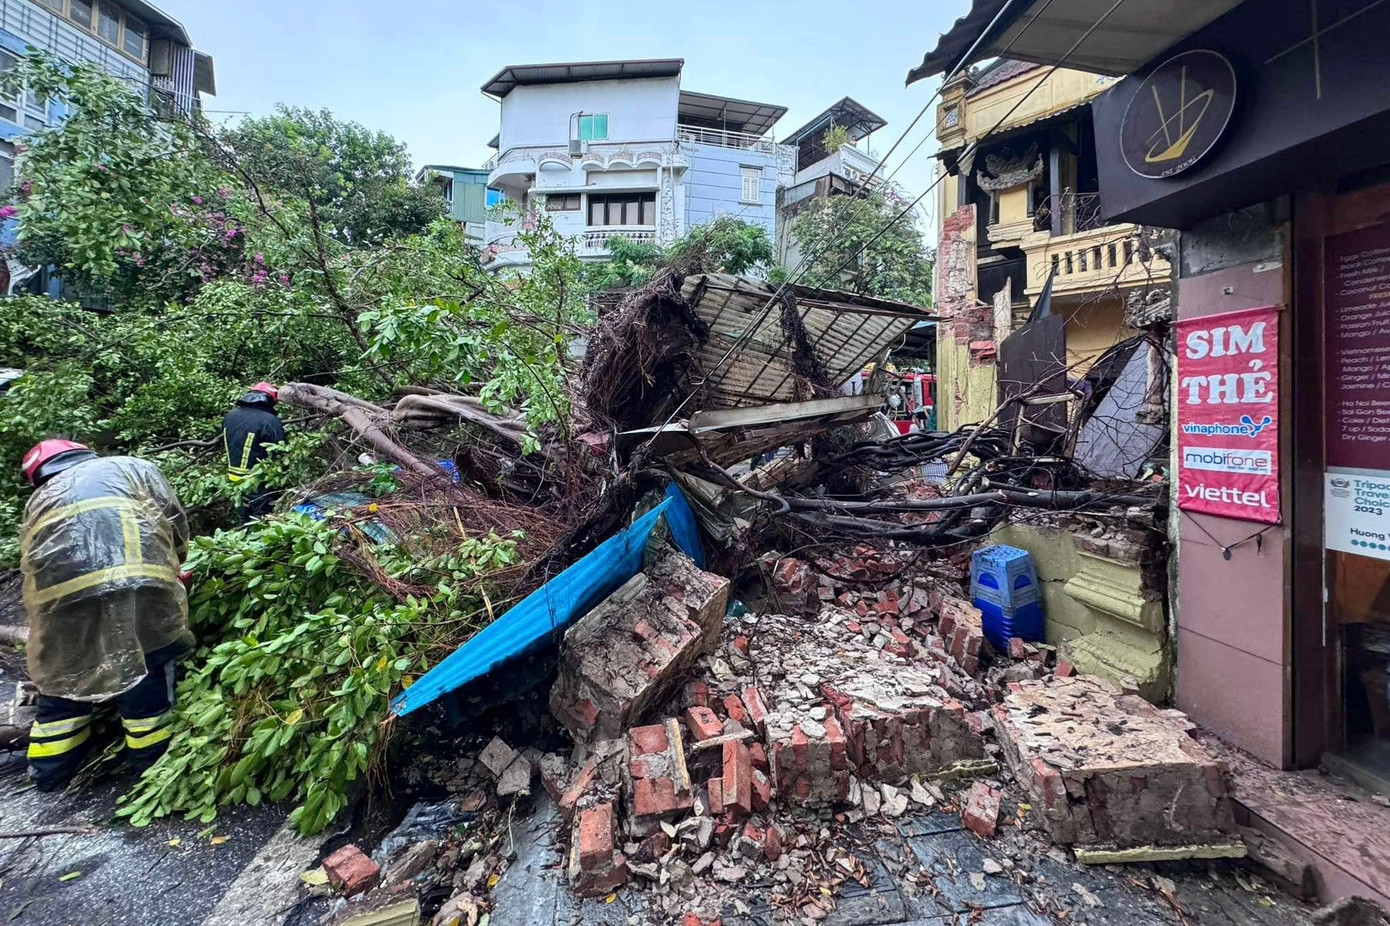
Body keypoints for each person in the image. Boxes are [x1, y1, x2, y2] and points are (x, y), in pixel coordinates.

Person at [18, 440, 192, 791]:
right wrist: (176, 561)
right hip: (141, 587)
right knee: (145, 669)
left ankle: (49, 775)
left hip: (61, 607)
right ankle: (153, 770)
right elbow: (171, 520)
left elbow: (36, 564)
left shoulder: (39, 500)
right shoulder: (131, 468)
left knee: (65, 683)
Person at [221, 381, 286, 523]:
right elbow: (280, 452)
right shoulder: (270, 421)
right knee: (260, 521)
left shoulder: (229, 416)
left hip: (235, 481)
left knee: (243, 520)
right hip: (260, 482)